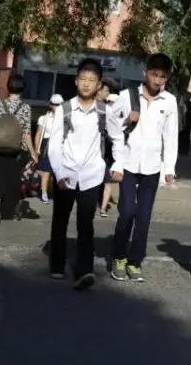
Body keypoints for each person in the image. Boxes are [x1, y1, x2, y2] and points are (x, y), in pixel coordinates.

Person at [48, 58, 125, 291]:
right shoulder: (65, 109)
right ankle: (57, 264)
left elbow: (118, 137)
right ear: (76, 81)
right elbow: (54, 144)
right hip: (66, 172)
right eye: (82, 79)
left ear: (99, 84)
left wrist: (119, 163)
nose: (86, 84)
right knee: (60, 220)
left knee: (86, 223)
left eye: (91, 80)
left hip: (92, 174)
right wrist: (59, 172)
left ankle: (84, 271)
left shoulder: (104, 111)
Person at [110, 53, 178, 282]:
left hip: (152, 166)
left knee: (144, 217)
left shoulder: (169, 101)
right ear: (145, 73)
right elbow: (112, 128)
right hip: (128, 164)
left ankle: (135, 261)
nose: (157, 80)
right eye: (154, 74)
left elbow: (171, 136)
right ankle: (119, 257)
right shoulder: (126, 96)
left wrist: (169, 168)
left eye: (162, 76)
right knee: (127, 211)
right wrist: (126, 120)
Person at [0, 74, 38, 224]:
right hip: (17, 150)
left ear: (8, 87)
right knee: (14, 180)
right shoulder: (25, 108)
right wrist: (33, 152)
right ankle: (14, 211)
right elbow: (26, 132)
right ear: (23, 88)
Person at [34, 94, 64, 204]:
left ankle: (60, 194)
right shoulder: (44, 118)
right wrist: (36, 149)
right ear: (50, 104)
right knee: (46, 171)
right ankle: (44, 193)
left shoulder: (65, 118)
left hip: (60, 145)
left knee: (59, 171)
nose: (56, 106)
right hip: (47, 144)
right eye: (54, 104)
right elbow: (38, 134)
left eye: (59, 104)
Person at [98, 93, 119, 217]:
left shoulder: (112, 117)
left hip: (107, 154)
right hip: (104, 153)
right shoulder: (105, 115)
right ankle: (102, 207)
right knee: (104, 182)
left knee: (106, 182)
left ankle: (103, 207)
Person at [178, 91, 191, 155]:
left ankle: (186, 151)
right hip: (180, 124)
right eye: (187, 96)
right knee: (180, 138)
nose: (188, 98)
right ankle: (180, 151)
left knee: (187, 138)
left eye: (189, 96)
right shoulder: (180, 103)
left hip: (188, 124)